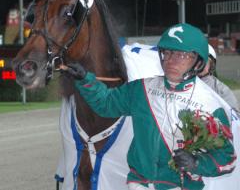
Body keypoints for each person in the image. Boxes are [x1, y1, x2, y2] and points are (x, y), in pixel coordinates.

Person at [61, 23, 236, 190]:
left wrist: (197, 163)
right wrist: (84, 79)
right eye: (167, 53)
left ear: (198, 61)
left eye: (181, 55)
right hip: (139, 184)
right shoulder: (141, 89)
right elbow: (106, 104)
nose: (171, 61)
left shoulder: (210, 104)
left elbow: (227, 158)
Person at [199, 44, 240, 112]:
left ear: (211, 65)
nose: (199, 64)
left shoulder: (221, 90)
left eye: (204, 61)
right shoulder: (180, 82)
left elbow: (234, 115)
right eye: (196, 60)